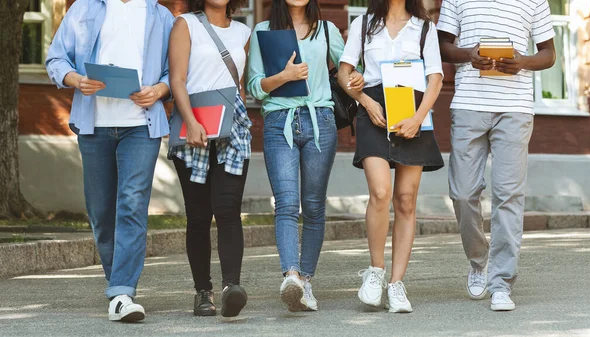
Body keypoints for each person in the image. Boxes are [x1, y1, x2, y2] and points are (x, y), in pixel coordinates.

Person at [45, 0, 173, 322]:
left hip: (141, 126)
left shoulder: (160, 14)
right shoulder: (84, 9)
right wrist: (76, 80)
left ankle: (121, 292)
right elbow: (56, 58)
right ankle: (117, 283)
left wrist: (159, 89)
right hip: (94, 125)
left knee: (131, 204)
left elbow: (177, 70)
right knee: (101, 212)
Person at [437, 0, 556, 311]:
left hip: (515, 108)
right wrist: (468, 55)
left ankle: (501, 282)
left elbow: (548, 54)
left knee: (508, 195)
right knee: (462, 193)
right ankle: (479, 262)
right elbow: (443, 47)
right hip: (468, 104)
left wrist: (523, 62)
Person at [246, 0, 364, 312]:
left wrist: (358, 77)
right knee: (286, 203)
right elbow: (255, 86)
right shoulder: (263, 30)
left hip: (320, 123)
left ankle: (306, 282)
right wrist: (284, 76)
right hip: (278, 122)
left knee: (313, 206)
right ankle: (291, 277)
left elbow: (350, 70)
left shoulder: (326, 30)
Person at [337, 0, 444, 313]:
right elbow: (345, 73)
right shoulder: (363, 24)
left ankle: (396, 284)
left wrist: (418, 117)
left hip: (413, 110)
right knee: (380, 192)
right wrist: (364, 101)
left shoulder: (425, 28)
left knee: (406, 200)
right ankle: (376, 272)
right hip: (374, 111)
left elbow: (435, 78)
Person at [168, 0, 252, 318]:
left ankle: (232, 287)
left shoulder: (244, 31)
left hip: (233, 128)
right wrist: (190, 121)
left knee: (229, 209)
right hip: (193, 128)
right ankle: (203, 293)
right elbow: (177, 79)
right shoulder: (185, 24)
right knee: (199, 216)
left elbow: (240, 84)